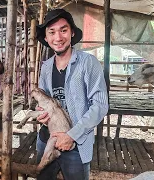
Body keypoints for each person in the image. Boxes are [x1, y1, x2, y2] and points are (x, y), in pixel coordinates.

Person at [35, 8, 109, 180]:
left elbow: (100, 105)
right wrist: (41, 113)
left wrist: (71, 136)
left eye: (63, 30)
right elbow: (43, 100)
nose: (58, 37)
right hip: (47, 139)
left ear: (72, 32)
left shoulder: (88, 63)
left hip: (76, 145)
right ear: (46, 37)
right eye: (52, 32)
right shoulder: (46, 67)